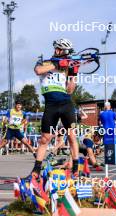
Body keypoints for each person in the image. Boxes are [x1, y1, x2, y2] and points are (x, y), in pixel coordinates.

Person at [32, 38, 79, 178]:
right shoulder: (44, 61)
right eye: (64, 53)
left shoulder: (67, 67)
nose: (66, 56)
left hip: (66, 104)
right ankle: (36, 170)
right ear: (58, 50)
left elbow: (70, 90)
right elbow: (38, 70)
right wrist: (56, 64)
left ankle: (76, 168)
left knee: (71, 135)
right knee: (45, 138)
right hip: (51, 105)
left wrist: (73, 75)